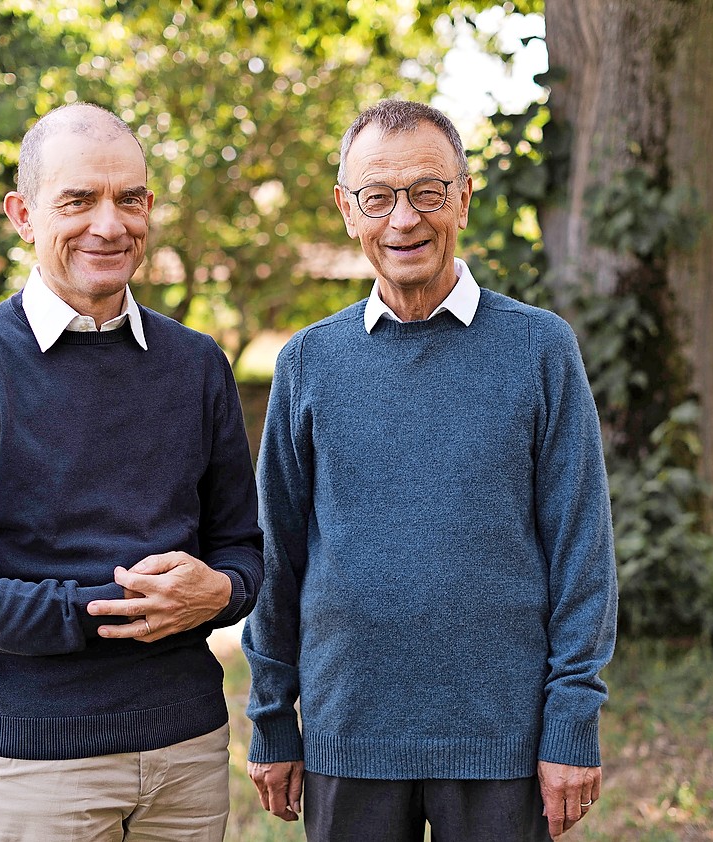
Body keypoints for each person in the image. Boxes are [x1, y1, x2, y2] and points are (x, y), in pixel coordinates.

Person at [241, 99, 618, 841]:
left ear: (464, 199)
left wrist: (572, 721)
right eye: (377, 198)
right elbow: (274, 556)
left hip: (501, 739)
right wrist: (270, 716)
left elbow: (583, 550)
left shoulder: (541, 349)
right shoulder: (308, 362)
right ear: (348, 211)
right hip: (348, 732)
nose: (403, 220)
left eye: (427, 193)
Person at [0, 102, 263, 842]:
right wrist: (106, 610)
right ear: (24, 215)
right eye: (78, 200)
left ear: (149, 208)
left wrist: (218, 591)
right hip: (36, 762)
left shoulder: (197, 366)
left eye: (129, 198)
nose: (109, 222)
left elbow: (243, 549)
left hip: (186, 753)